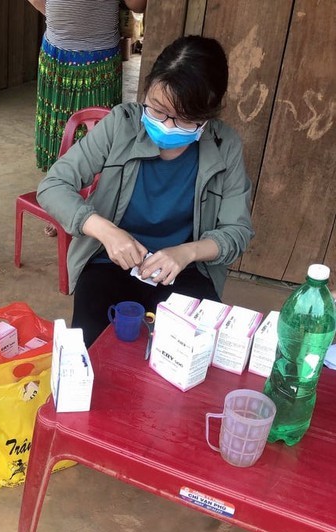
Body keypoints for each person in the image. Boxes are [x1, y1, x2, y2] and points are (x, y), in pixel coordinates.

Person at [37, 35, 255, 347]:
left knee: (191, 356)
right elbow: (54, 185)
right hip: (108, 262)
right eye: (157, 109)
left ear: (208, 115)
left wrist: (187, 252)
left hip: (184, 270)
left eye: (184, 118)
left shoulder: (225, 146)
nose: (166, 125)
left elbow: (237, 231)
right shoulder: (121, 124)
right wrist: (107, 231)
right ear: (147, 92)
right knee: (89, 356)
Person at [28, 0, 146, 235]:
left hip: (98, 60)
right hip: (56, 54)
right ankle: (62, 205)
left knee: (96, 137)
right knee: (60, 135)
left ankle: (96, 210)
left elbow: (138, 5)